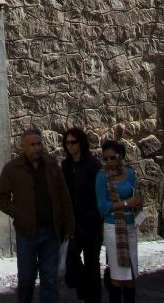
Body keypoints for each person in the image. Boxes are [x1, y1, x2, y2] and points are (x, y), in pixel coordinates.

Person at [0, 127, 75, 303]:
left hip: (50, 232)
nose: (37, 148)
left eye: (39, 144)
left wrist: (69, 226)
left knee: (50, 279)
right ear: (23, 146)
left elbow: (64, 196)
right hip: (26, 233)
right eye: (32, 144)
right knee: (26, 279)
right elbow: (1, 197)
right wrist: (18, 213)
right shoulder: (12, 169)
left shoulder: (52, 166)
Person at [95, 140, 140, 303]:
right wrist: (125, 203)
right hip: (113, 227)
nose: (108, 162)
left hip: (130, 225)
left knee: (131, 274)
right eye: (105, 159)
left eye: (112, 158)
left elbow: (135, 193)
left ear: (120, 156)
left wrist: (136, 203)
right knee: (117, 274)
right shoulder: (102, 177)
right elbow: (102, 205)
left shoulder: (130, 173)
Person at [61, 126, 102, 303]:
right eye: (67, 143)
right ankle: (84, 285)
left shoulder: (93, 165)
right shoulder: (66, 166)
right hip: (74, 223)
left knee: (92, 264)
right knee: (71, 257)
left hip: (91, 222)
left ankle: (94, 299)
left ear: (81, 143)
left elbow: (99, 193)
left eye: (73, 142)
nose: (70, 146)